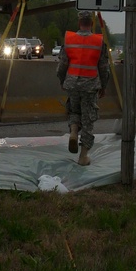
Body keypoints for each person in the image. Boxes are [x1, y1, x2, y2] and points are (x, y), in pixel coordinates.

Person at [57, 10, 110, 166]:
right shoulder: (98, 41)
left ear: (79, 23)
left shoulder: (69, 39)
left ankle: (73, 131)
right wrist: (104, 86)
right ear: (91, 24)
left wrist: (62, 81)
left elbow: (62, 65)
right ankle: (83, 156)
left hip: (72, 83)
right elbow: (104, 68)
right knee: (88, 120)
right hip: (90, 85)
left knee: (74, 110)